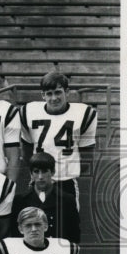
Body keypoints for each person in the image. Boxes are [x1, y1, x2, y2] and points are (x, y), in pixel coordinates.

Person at [19, 69, 96, 206]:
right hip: (38, 180)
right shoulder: (28, 112)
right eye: (49, 93)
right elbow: (26, 150)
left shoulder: (84, 114)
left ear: (67, 92)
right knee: (35, 222)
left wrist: (67, 171)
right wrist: (39, 170)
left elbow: (87, 154)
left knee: (68, 224)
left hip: (66, 181)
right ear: (43, 95)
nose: (54, 98)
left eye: (58, 92)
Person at [10, 152, 81, 243]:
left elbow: (74, 236)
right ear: (31, 174)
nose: (40, 177)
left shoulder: (67, 200)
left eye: (44, 171)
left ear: (53, 172)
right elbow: (16, 235)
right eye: (36, 172)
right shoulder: (20, 200)